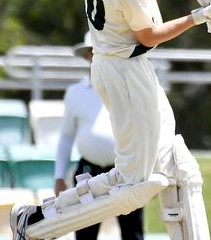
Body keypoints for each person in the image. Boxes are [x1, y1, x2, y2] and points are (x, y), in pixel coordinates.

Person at [11, 0, 211, 240]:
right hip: (124, 72)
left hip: (124, 67)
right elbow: (148, 36)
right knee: (137, 186)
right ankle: (38, 224)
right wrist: (199, 16)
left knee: (180, 166)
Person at [54, 32, 144, 240]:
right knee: (85, 233)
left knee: (132, 232)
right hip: (88, 171)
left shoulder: (130, 87)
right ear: (88, 56)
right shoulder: (76, 92)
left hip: (125, 170)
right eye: (93, 52)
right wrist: (59, 176)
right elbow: (66, 136)